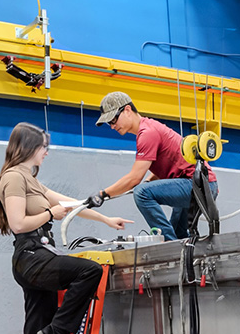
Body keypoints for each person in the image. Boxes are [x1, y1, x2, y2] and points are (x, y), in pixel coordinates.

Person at [0, 122, 131, 334]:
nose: (46, 152)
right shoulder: (13, 178)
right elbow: (18, 224)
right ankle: (58, 333)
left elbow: (69, 204)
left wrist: (104, 218)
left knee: (36, 326)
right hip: (31, 255)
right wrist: (49, 214)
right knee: (90, 272)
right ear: (29, 147)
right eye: (44, 147)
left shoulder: (30, 180)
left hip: (36, 255)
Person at [86, 92, 218, 240]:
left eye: (113, 119)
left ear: (127, 110)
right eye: (109, 123)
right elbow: (171, 162)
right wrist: (149, 181)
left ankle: (168, 245)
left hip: (197, 186)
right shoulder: (150, 128)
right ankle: (184, 255)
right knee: (179, 235)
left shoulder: (147, 133)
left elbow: (134, 179)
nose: (112, 126)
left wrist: (102, 194)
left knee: (141, 193)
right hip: (199, 184)